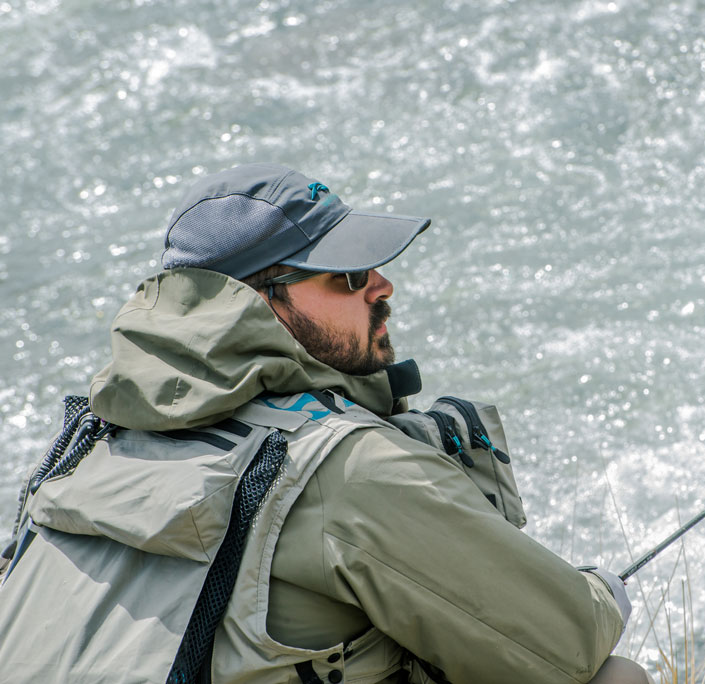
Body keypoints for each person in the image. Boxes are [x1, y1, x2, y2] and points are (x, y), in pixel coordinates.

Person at [0, 163, 653, 684]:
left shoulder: (90, 441)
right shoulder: (342, 465)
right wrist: (601, 593)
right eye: (346, 274)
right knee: (613, 676)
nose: (382, 285)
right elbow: (561, 646)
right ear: (259, 303)